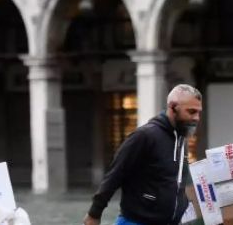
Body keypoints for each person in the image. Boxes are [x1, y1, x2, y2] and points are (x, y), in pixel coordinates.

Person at [83, 84, 203, 225]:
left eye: (199, 112)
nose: (197, 118)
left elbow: (176, 182)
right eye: (191, 112)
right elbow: (115, 175)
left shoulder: (181, 140)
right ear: (172, 107)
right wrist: (94, 214)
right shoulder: (144, 136)